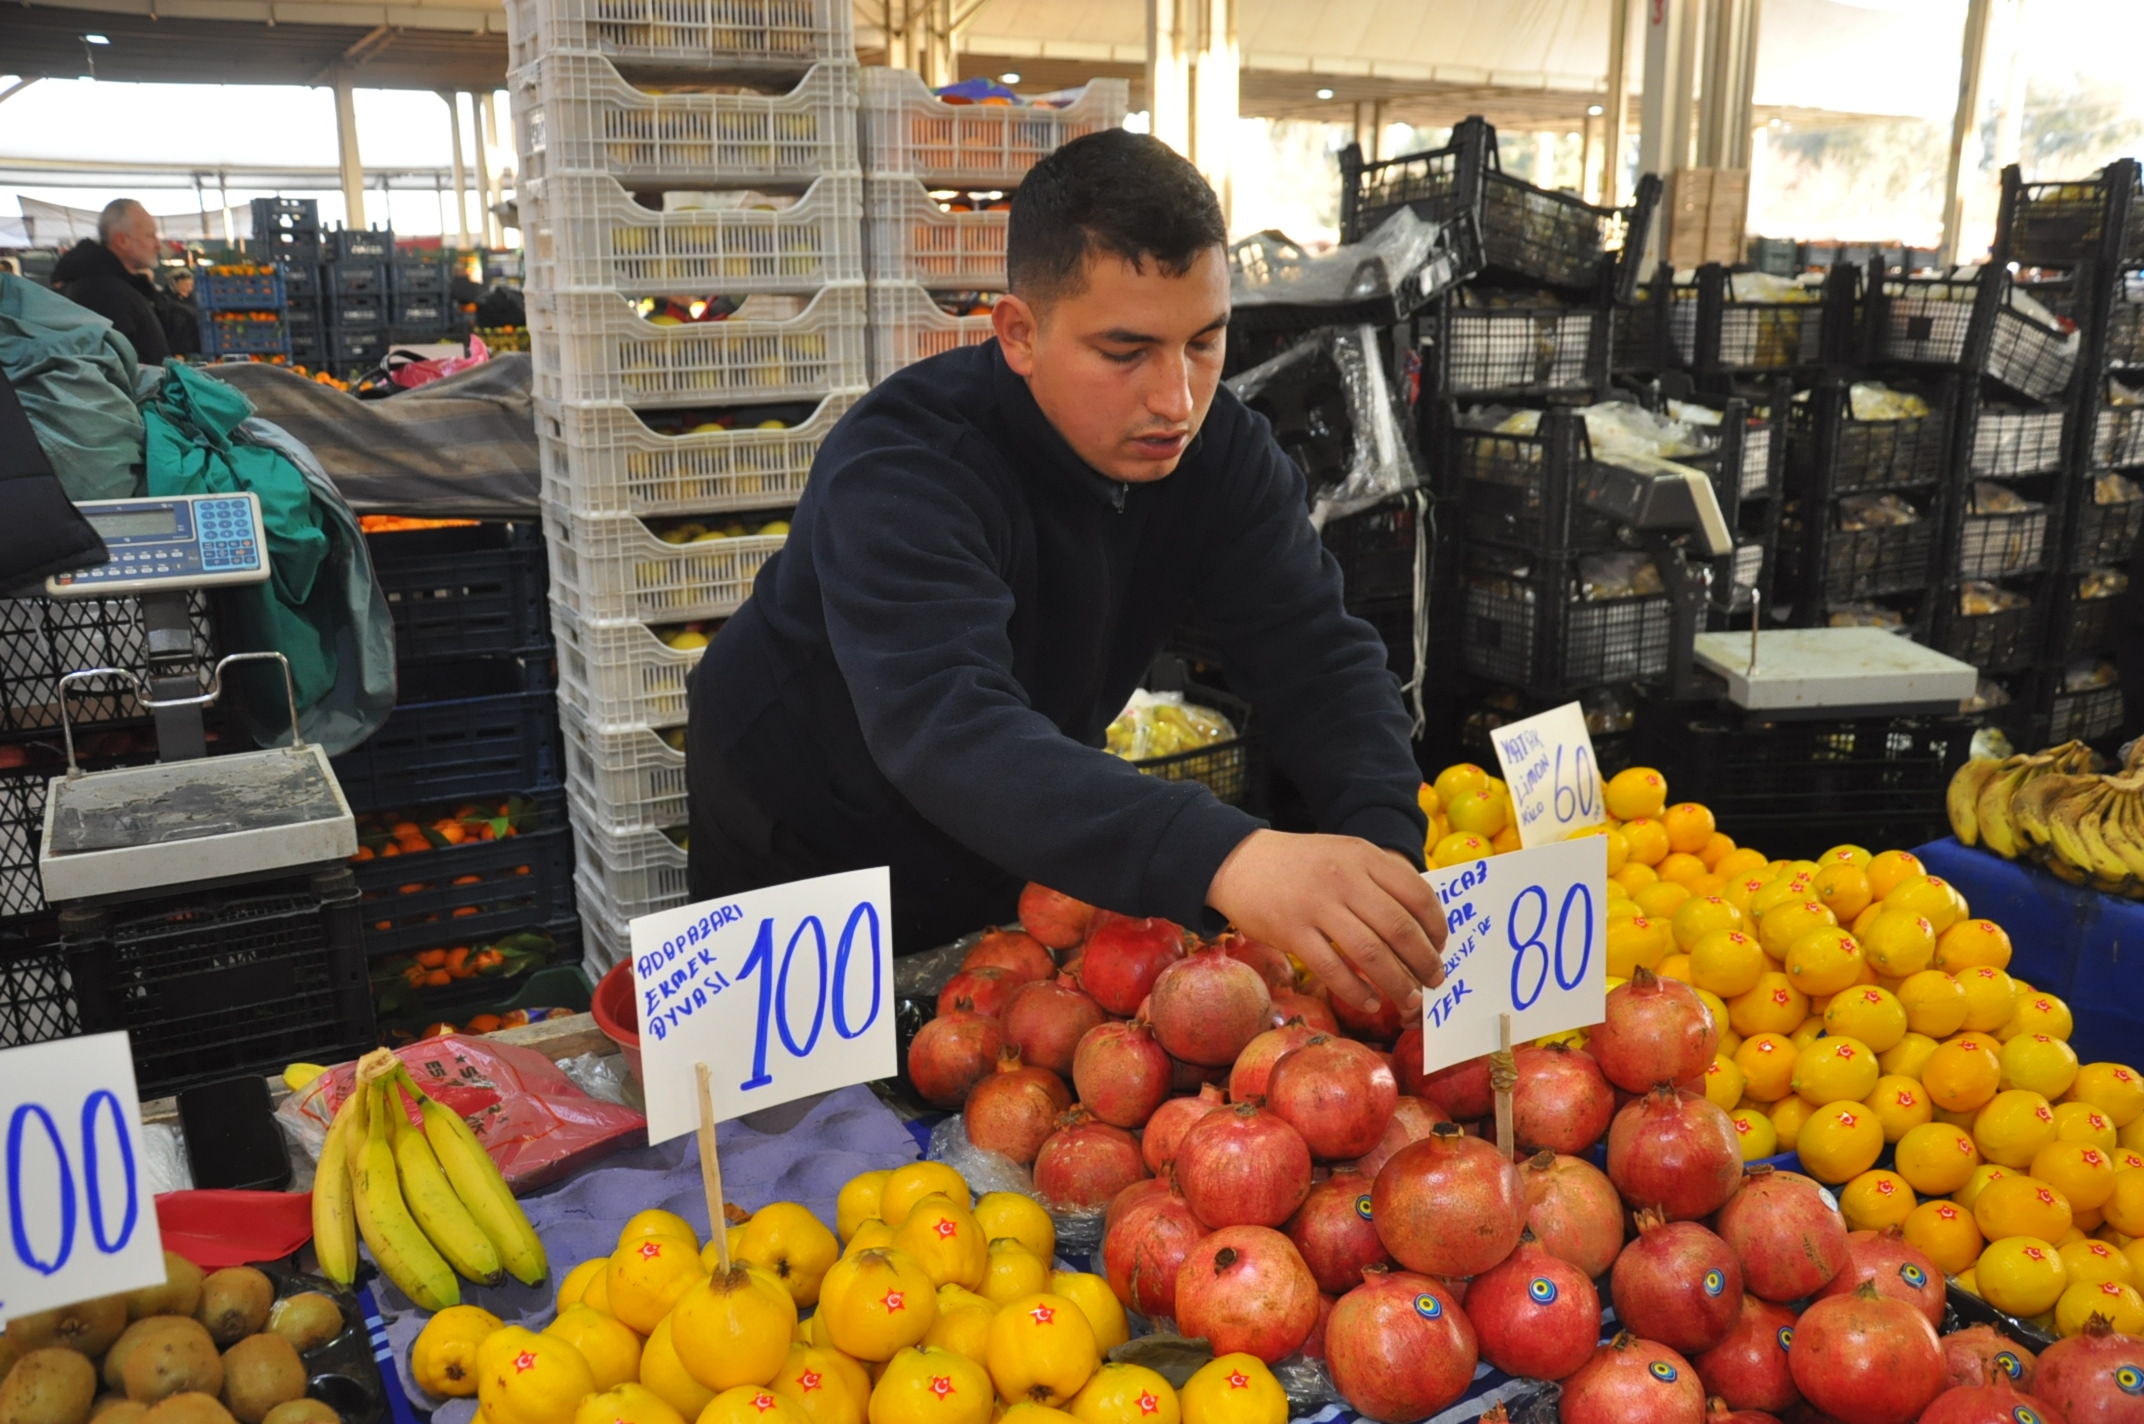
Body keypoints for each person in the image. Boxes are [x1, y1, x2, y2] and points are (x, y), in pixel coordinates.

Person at [683, 130, 1446, 1018]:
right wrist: (1226, 856)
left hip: (1010, 814)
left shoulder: (1219, 452)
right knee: (811, 1095)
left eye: (1205, 342)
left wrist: (1383, 857)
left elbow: (1316, 656)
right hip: (802, 825)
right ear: (1019, 332)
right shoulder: (905, 466)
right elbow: (946, 723)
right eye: (1126, 353)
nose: (1176, 400)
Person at [51, 199, 175, 364]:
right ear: (121, 240)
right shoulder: (102, 293)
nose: (158, 245)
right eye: (150, 235)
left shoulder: (114, 285)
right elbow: (116, 367)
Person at [161, 266, 202, 357]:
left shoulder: (193, 301)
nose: (188, 288)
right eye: (184, 285)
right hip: (176, 348)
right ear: (174, 284)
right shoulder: (166, 302)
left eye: (190, 285)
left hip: (192, 347)